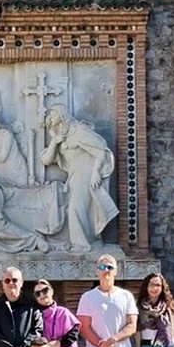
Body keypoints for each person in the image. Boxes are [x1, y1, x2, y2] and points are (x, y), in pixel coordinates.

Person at [40, 105, 118, 252]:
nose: (52, 121)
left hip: (86, 174)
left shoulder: (80, 132)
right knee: (75, 208)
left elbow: (101, 152)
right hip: (75, 176)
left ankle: (82, 245)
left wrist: (96, 172)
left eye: (54, 118)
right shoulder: (61, 137)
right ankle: (86, 241)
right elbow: (46, 160)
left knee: (76, 208)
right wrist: (54, 142)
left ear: (62, 118)